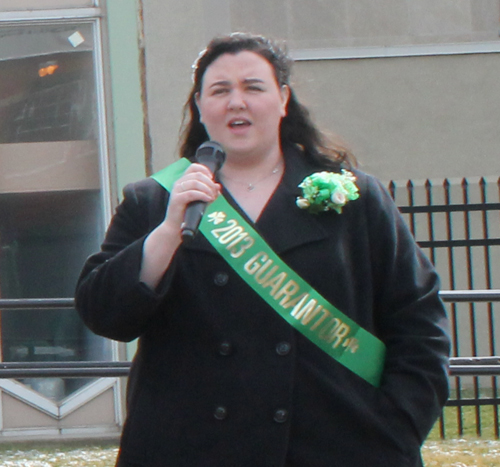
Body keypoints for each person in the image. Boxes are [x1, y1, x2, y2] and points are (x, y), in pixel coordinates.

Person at [75, 33, 450, 467]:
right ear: (199, 105)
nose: (237, 102)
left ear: (283, 98)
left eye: (253, 87)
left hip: (335, 446)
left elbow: (419, 322)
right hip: (193, 448)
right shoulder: (155, 201)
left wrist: (397, 426)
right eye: (220, 90)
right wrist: (167, 232)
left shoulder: (354, 198)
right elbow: (102, 313)